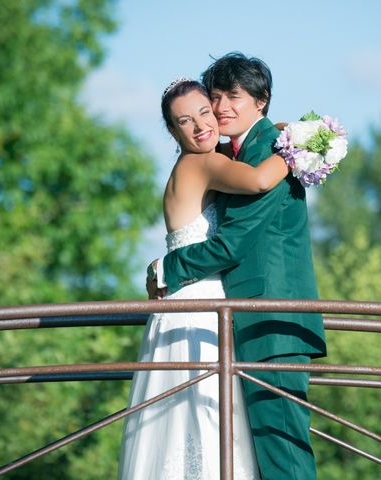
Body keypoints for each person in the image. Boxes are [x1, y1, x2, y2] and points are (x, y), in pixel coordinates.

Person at [148, 53, 327, 480]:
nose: (222, 108)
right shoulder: (235, 153)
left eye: (234, 97)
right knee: (245, 446)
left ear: (261, 102)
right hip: (239, 318)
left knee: (282, 449)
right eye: (217, 98)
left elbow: (231, 244)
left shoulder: (269, 150)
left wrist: (167, 268)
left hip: (274, 319)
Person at [117, 78, 287, 479]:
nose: (200, 127)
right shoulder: (204, 163)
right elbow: (261, 180)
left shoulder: (190, 165)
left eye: (205, 114)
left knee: (182, 419)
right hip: (197, 311)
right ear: (174, 132)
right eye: (185, 122)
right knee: (207, 416)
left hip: (180, 305)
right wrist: (303, 144)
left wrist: (274, 129)